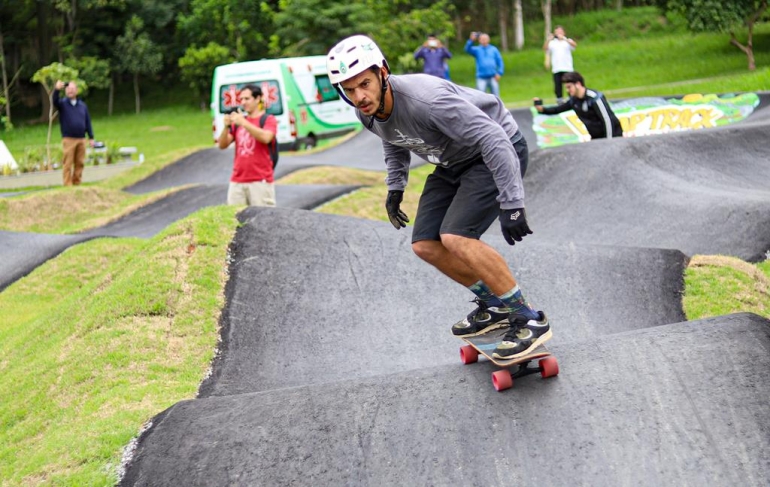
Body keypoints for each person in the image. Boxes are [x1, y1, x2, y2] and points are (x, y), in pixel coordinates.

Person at [326, 35, 550, 360]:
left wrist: (512, 201)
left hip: (495, 149)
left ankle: (528, 317)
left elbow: (494, 138)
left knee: (456, 237)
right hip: (451, 160)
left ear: (383, 73)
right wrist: (395, 188)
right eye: (349, 90)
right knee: (426, 244)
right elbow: (392, 138)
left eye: (364, 84)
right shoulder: (367, 111)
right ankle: (495, 305)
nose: (359, 96)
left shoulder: (427, 100)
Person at [217, 84, 278, 206]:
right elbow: (222, 145)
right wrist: (226, 126)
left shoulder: (268, 119)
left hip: (260, 180)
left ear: (258, 98)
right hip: (237, 180)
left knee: (263, 220)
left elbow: (266, 137)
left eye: (247, 99)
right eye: (241, 99)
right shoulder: (238, 122)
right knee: (233, 221)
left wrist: (244, 122)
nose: (243, 102)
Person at [533, 72, 623, 140]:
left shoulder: (594, 98)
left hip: (613, 136)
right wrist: (542, 109)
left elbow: (607, 119)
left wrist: (610, 141)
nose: (567, 90)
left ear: (578, 84)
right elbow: (558, 109)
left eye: (569, 87)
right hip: (596, 138)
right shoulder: (574, 100)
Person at [53, 80, 95, 186]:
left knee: (80, 163)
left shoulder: (82, 106)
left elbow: (87, 121)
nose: (70, 91)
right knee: (68, 163)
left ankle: (77, 182)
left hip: (81, 138)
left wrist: (91, 137)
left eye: (72, 89)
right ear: (65, 91)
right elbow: (55, 102)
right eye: (68, 89)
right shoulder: (63, 104)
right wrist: (57, 90)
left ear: (76, 90)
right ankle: (67, 184)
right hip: (69, 139)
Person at [543, 26, 577, 104]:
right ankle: (559, 99)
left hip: (567, 67)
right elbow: (545, 49)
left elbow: (574, 45)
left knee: (569, 83)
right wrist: (548, 39)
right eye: (557, 32)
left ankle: (571, 98)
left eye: (560, 32)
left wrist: (564, 38)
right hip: (557, 67)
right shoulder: (552, 43)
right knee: (558, 85)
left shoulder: (567, 41)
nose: (558, 33)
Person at [464, 32, 504, 97]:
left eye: (485, 39)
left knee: (496, 96)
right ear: (479, 40)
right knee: (481, 96)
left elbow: (500, 61)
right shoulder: (477, 49)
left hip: (493, 76)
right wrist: (471, 40)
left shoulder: (493, 49)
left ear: (488, 40)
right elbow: (467, 49)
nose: (484, 41)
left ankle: (497, 107)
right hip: (481, 77)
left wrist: (499, 73)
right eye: (482, 39)